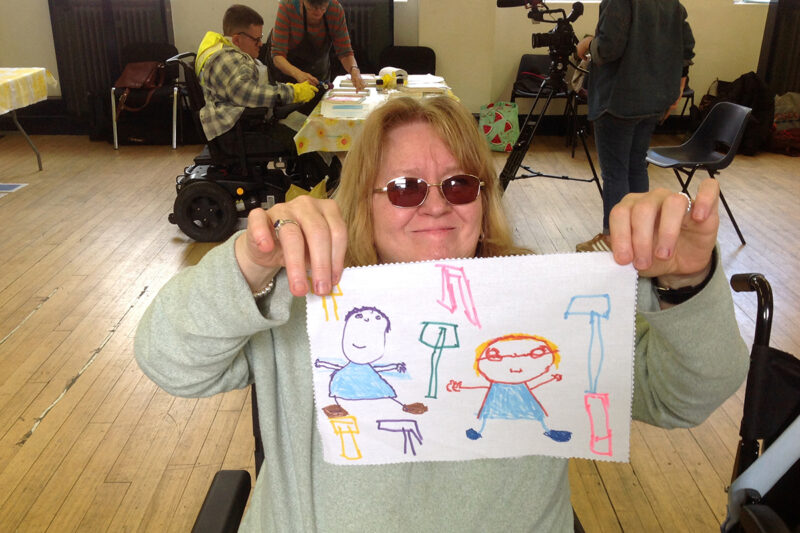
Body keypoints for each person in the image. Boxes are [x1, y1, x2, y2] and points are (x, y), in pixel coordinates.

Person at [135, 95, 748, 531]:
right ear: (362, 203)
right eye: (404, 188)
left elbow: (685, 397)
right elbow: (169, 362)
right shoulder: (303, 297)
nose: (435, 207)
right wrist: (250, 260)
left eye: (459, 185)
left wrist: (686, 280)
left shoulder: (543, 298)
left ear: (482, 198)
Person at [575, 0, 695, 252]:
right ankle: (640, 233)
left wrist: (587, 44)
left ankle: (613, 238)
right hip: (654, 101)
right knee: (635, 166)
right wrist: (679, 83)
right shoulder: (671, 3)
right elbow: (686, 46)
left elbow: (608, 48)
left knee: (616, 172)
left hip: (619, 99)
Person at [195, 4, 319, 152]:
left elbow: (256, 87)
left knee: (307, 127)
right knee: (310, 139)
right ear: (237, 40)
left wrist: (289, 89)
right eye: (256, 39)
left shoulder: (226, 53)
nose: (261, 44)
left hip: (241, 126)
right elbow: (247, 93)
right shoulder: (229, 59)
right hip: (237, 132)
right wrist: (293, 92)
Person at [268, 0, 366, 92]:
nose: (318, 11)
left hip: (318, 71)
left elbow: (345, 52)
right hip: (287, 73)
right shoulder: (288, 7)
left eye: (323, 7)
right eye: (312, 7)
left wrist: (354, 69)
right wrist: (298, 74)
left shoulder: (335, 9)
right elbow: (278, 56)